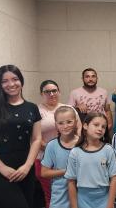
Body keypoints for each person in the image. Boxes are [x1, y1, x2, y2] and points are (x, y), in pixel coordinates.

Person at [0, 65, 42, 208]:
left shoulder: (32, 107)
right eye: (5, 81)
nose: (11, 84)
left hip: (25, 168)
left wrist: (27, 166)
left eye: (15, 79)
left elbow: (36, 139)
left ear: (21, 81)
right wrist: (2, 168)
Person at [37, 80, 82, 208]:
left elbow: (79, 128)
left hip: (71, 151)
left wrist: (73, 145)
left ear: (59, 91)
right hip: (46, 157)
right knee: (51, 195)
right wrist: (57, 148)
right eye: (47, 91)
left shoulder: (69, 109)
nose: (51, 94)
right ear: (42, 94)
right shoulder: (37, 111)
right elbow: (35, 137)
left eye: (54, 90)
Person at [65, 112, 116, 208]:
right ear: (85, 126)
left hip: (104, 200)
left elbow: (115, 178)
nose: (100, 129)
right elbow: (71, 182)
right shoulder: (75, 152)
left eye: (103, 127)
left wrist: (110, 205)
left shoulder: (108, 150)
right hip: (82, 201)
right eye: (96, 125)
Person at [41, 106, 79, 208]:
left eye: (69, 122)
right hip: (59, 198)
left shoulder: (83, 143)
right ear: (56, 125)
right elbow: (44, 173)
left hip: (82, 197)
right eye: (61, 123)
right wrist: (66, 171)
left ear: (75, 122)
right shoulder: (52, 146)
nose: (65, 126)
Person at [68, 68, 113, 141]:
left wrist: (110, 125)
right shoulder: (74, 93)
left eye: (93, 76)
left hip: (100, 130)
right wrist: (77, 107)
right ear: (82, 79)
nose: (90, 79)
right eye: (87, 76)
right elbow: (69, 112)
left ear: (97, 78)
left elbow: (107, 110)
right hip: (83, 131)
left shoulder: (104, 92)